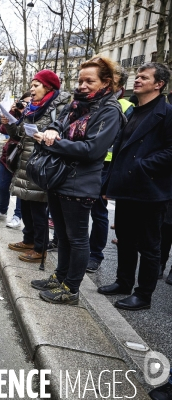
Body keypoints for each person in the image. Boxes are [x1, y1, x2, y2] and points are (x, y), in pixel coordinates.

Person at [30, 56, 124, 305]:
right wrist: (52, 130)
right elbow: (57, 123)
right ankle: (60, 277)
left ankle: (71, 289)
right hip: (59, 177)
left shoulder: (110, 110)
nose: (82, 85)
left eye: (89, 81)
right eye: (80, 80)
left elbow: (92, 150)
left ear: (106, 82)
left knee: (78, 239)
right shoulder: (76, 105)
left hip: (80, 183)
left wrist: (55, 142)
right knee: (61, 234)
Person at [98, 62, 172, 311]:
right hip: (126, 187)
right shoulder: (132, 111)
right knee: (125, 239)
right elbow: (119, 150)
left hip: (151, 190)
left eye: (144, 77)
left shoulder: (167, 113)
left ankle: (143, 296)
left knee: (150, 246)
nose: (137, 80)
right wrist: (109, 183)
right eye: (137, 76)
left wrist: (143, 165)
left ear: (159, 84)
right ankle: (123, 282)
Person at [5, 70, 71, 263]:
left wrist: (45, 137)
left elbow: (61, 135)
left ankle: (40, 248)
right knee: (25, 205)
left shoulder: (58, 109)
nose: (31, 89)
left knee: (38, 209)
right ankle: (29, 240)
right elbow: (18, 133)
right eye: (31, 85)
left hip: (43, 165)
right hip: (26, 163)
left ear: (48, 87)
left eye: (36, 85)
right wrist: (9, 122)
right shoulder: (32, 108)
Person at [85, 66, 133, 273]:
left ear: (119, 84)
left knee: (98, 211)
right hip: (87, 161)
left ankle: (95, 255)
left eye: (110, 79)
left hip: (107, 165)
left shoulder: (125, 106)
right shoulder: (91, 101)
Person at [0, 92, 31, 228]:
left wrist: (24, 114)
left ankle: (17, 216)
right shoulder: (16, 112)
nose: (24, 105)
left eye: (28, 103)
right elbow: (3, 129)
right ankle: (2, 210)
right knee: (2, 185)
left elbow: (24, 133)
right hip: (10, 154)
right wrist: (11, 112)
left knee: (19, 188)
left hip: (24, 154)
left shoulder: (33, 114)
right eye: (23, 102)